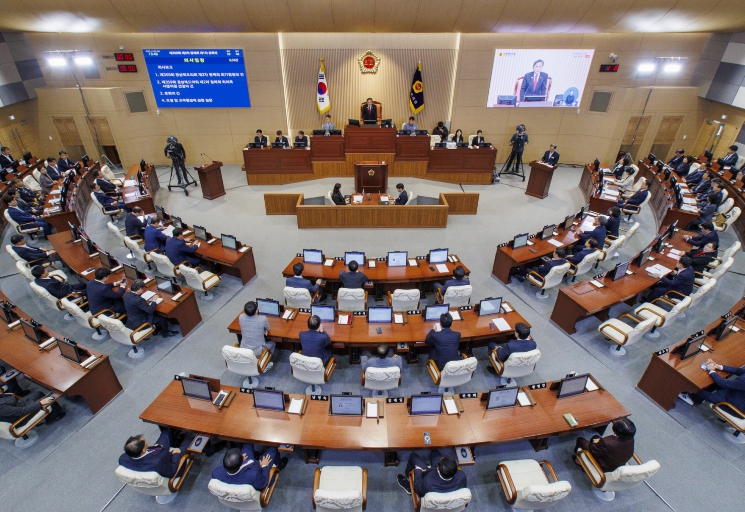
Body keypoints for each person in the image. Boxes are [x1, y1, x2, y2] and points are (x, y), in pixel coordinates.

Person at [679, 360, 745, 417]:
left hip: (734, 406)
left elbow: (723, 384)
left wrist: (711, 370)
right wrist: (719, 366)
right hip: (735, 394)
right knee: (714, 384)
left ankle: (690, 397)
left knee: (699, 390)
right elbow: (739, 371)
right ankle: (698, 398)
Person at [119, 431, 194, 478]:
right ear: (143, 450)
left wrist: (154, 448)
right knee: (193, 441)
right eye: (145, 441)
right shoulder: (158, 462)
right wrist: (176, 454)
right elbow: (172, 471)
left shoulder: (122, 458)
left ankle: (176, 441)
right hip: (171, 459)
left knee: (166, 433)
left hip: (156, 452)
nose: (146, 440)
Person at [397, 450, 466, 497]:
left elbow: (418, 488)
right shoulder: (462, 476)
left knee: (413, 456)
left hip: (427, 475)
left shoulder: (427, 482)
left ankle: (408, 482)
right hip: (444, 484)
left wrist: (418, 470)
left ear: (438, 468)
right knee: (435, 452)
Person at [212, 445, 287, 487]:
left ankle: (255, 454)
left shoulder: (216, 472)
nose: (243, 455)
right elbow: (264, 482)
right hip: (259, 470)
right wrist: (264, 466)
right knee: (273, 449)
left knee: (247, 445)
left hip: (245, 470)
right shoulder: (254, 475)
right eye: (241, 456)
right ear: (241, 462)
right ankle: (278, 464)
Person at [0, 389, 65, 424]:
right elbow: (21, 411)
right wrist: (40, 403)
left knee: (38, 393)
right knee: (46, 400)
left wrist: (4, 395)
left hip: (18, 404)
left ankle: (53, 414)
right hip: (21, 416)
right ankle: (54, 417)